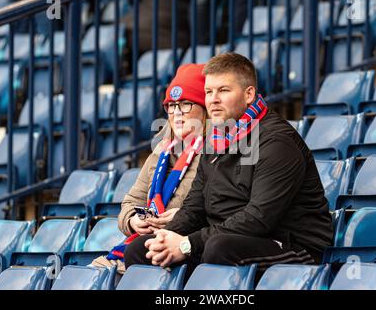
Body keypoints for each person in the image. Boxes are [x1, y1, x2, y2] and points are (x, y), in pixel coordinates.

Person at [124, 52, 333, 278]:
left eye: (223, 90)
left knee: (218, 248)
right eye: (208, 92)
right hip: (227, 237)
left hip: (292, 246)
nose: (213, 99)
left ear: (249, 94)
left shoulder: (277, 142)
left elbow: (259, 218)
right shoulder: (215, 139)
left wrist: (187, 244)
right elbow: (194, 208)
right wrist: (167, 238)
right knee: (141, 249)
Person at [92, 63, 207, 273]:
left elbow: (218, 209)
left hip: (181, 245)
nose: (177, 113)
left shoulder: (215, 152)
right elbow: (131, 201)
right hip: (146, 243)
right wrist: (133, 220)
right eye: (171, 105)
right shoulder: (161, 150)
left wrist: (181, 217)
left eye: (186, 104)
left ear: (205, 109)